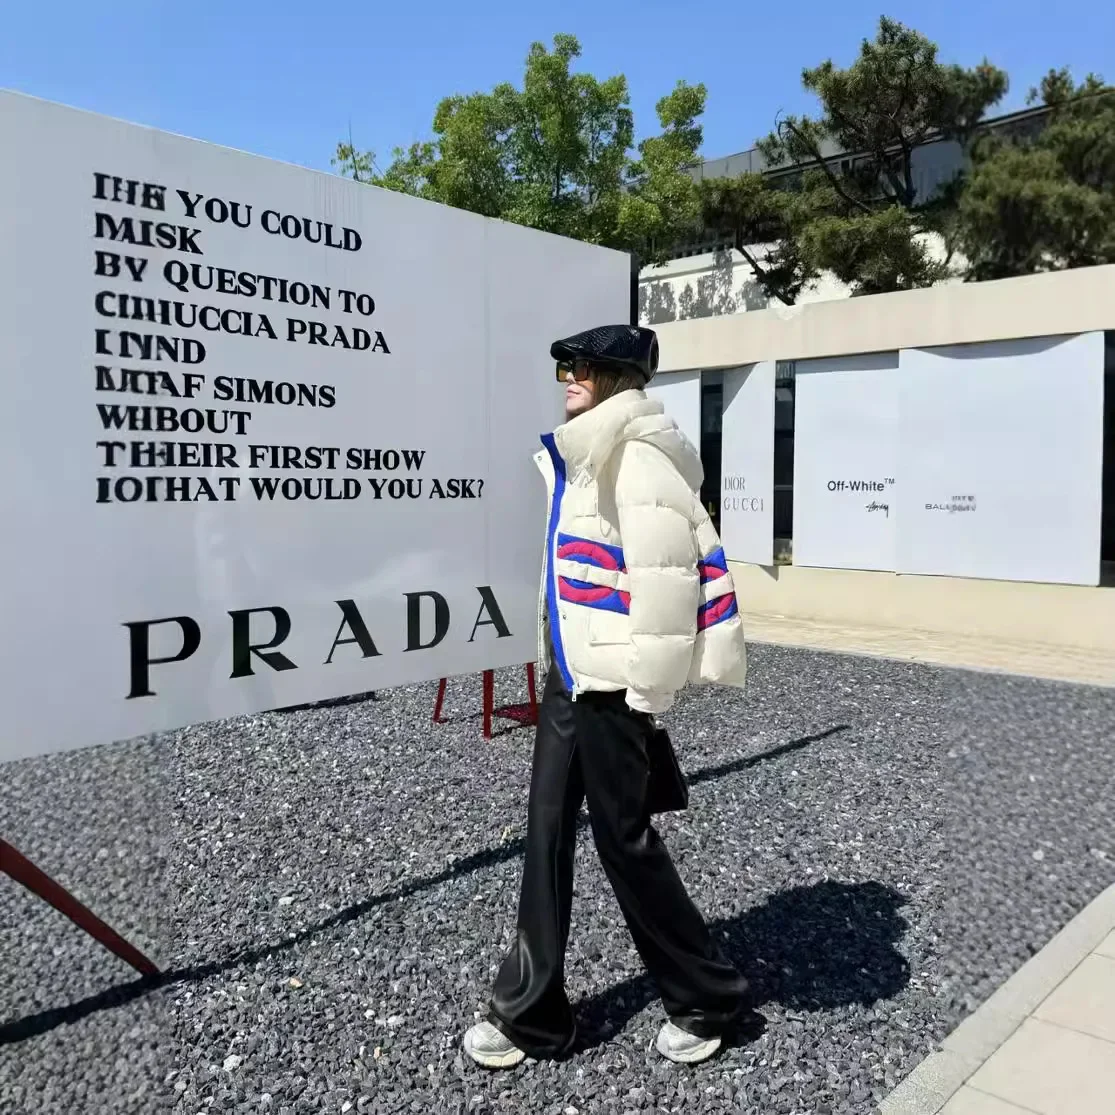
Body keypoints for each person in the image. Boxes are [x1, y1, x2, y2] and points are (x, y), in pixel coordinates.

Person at [463, 324, 750, 1070]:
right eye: (564, 363)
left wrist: (643, 699)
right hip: (571, 674)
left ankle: (707, 995)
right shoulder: (589, 452)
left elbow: (663, 585)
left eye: (581, 366)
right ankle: (531, 1012)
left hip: (612, 684)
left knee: (622, 840)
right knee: (547, 831)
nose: (567, 376)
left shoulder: (635, 456)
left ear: (618, 376)